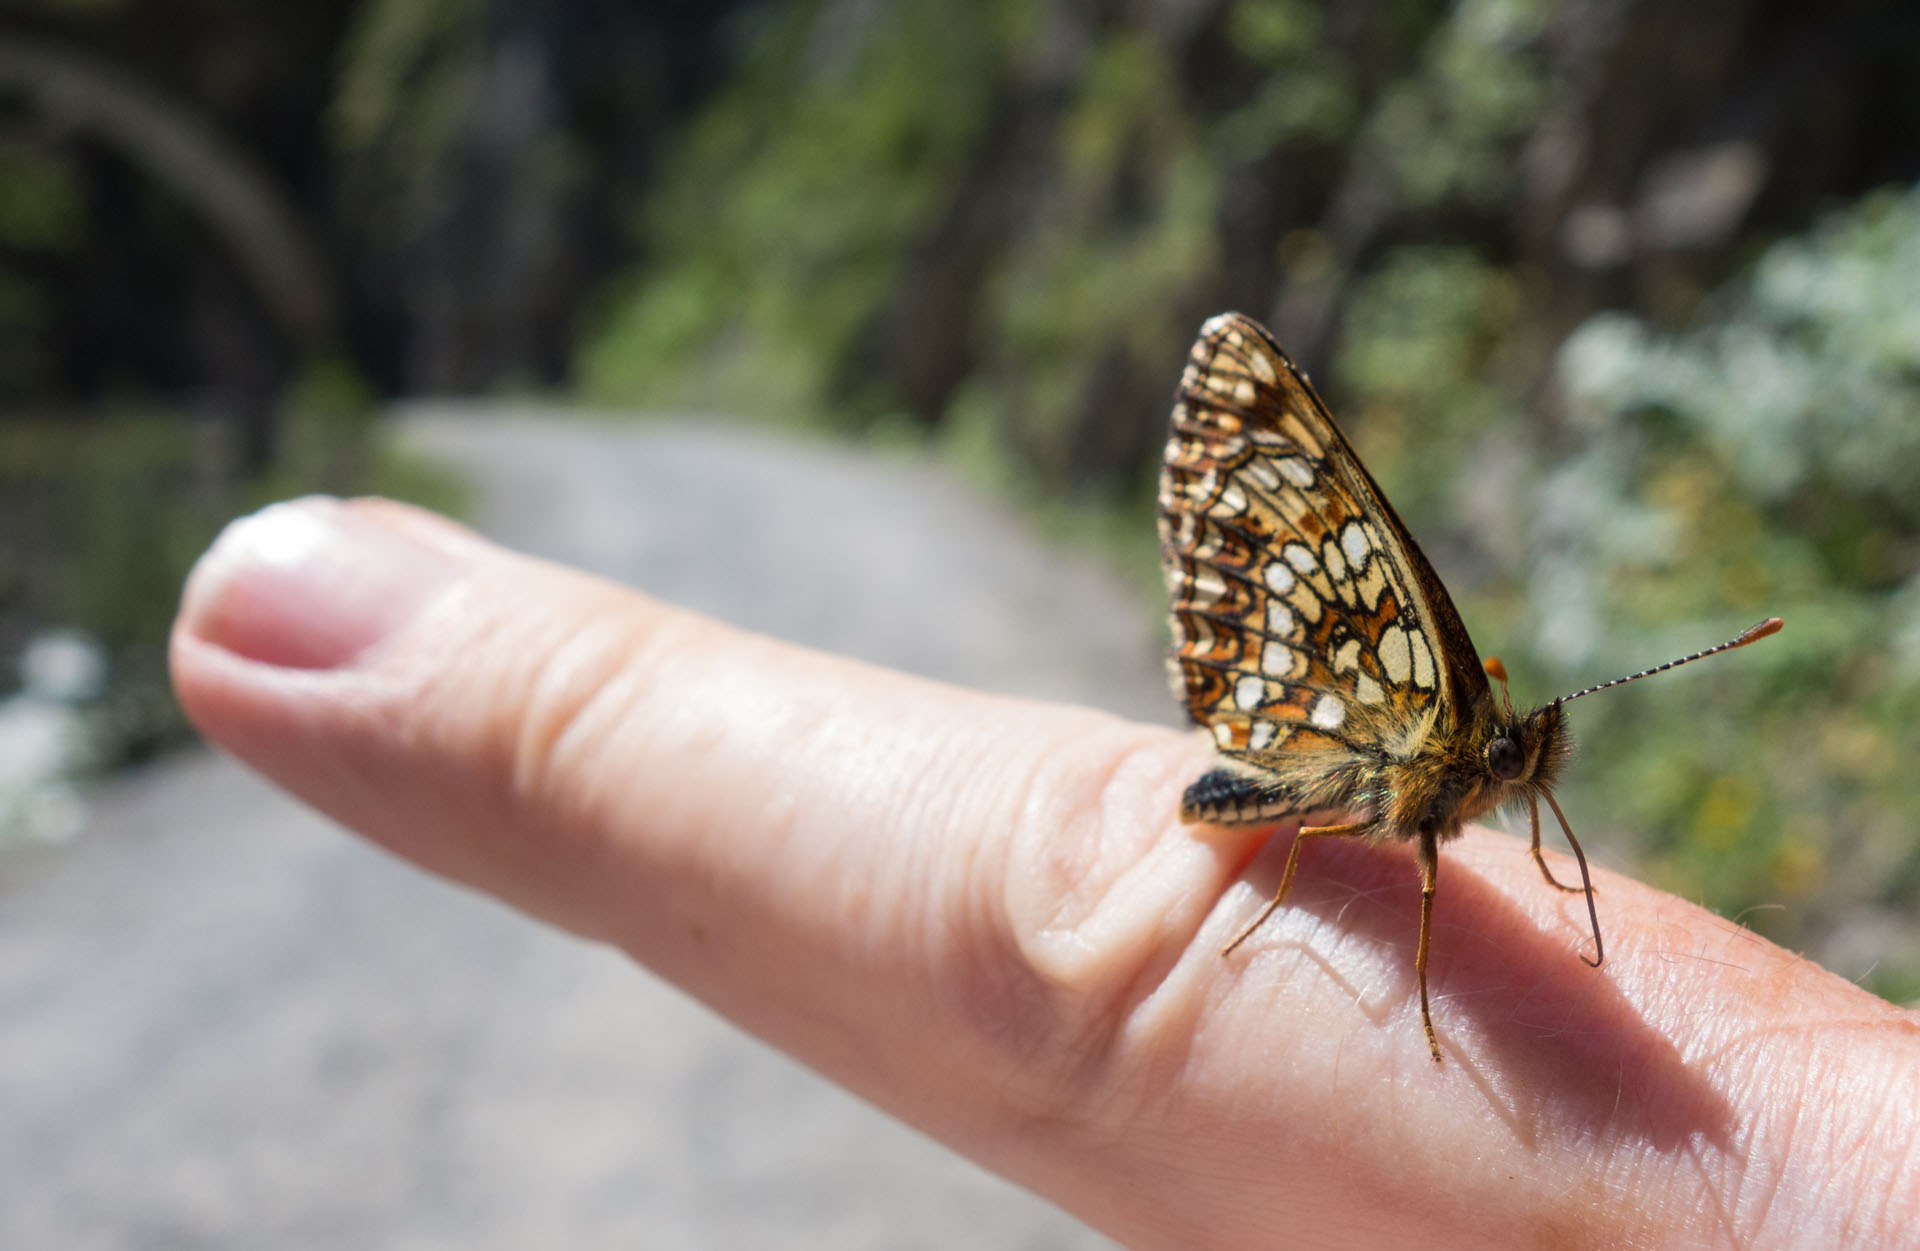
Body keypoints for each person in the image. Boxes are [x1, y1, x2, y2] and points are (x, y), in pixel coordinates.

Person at [170, 495, 1920, 1248]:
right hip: (1290, 749)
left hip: (1307, 758)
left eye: (1533, 754)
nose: (1540, 767)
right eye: (1527, 750)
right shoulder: (1433, 740)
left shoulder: (1485, 774)